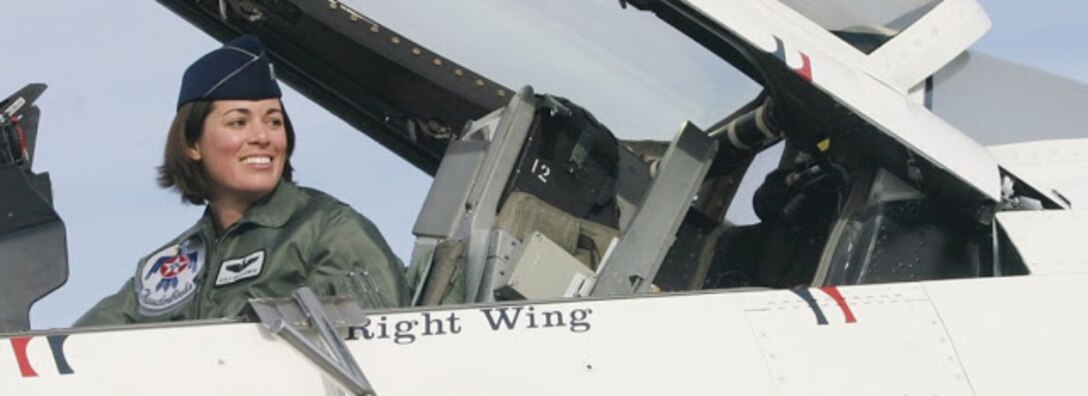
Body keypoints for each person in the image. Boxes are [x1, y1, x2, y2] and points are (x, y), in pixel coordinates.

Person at [74, 35, 409, 326]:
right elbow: (77, 348)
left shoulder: (328, 231)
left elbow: (379, 343)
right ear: (193, 144)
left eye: (274, 122)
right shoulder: (168, 266)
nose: (262, 137)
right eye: (238, 123)